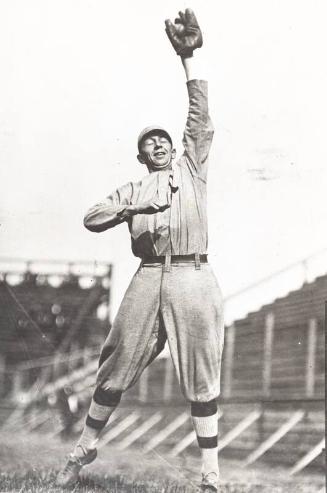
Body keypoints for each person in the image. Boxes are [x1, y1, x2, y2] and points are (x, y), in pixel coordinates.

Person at [56, 8, 224, 492]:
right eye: (150, 142)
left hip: (193, 275)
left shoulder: (192, 170)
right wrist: (136, 204)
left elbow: (200, 116)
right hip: (149, 276)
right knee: (115, 362)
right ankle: (83, 448)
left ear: (175, 149)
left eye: (164, 140)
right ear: (141, 155)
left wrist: (190, 58)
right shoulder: (134, 189)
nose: (159, 144)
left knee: (201, 373)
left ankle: (210, 473)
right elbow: (91, 217)